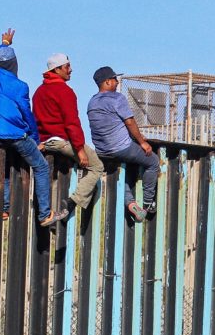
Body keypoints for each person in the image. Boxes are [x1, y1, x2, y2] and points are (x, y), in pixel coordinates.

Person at [0, 29, 67, 227]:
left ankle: (4, 209)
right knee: (41, 166)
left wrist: (4, 44)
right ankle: (45, 214)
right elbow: (27, 114)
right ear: (14, 64)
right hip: (15, 135)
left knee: (4, 169)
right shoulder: (20, 86)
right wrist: (36, 139)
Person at [33, 52, 104, 217]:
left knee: (57, 175)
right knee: (96, 166)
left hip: (46, 142)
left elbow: (35, 118)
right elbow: (72, 123)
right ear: (57, 69)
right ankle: (72, 202)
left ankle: (53, 213)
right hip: (61, 141)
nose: (70, 70)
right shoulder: (64, 91)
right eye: (67, 66)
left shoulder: (39, 91)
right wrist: (79, 149)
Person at [87, 66, 159, 222]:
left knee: (120, 170)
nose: (117, 82)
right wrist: (142, 142)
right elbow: (130, 122)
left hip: (101, 151)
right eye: (114, 79)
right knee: (152, 161)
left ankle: (130, 203)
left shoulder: (92, 102)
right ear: (107, 82)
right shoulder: (117, 98)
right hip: (121, 148)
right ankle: (148, 203)